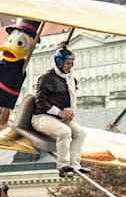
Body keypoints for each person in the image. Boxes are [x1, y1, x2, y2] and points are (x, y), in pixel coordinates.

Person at [32, 44, 87, 178]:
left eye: (72, 63)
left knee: (80, 133)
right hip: (42, 117)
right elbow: (41, 102)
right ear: (59, 62)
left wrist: (69, 112)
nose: (70, 66)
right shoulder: (46, 79)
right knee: (64, 132)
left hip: (59, 117)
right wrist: (60, 112)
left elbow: (69, 99)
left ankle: (75, 165)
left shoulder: (70, 79)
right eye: (68, 63)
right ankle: (63, 165)